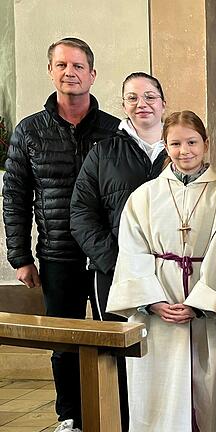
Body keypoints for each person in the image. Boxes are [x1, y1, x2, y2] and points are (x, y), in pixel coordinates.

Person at [2, 37, 119, 432]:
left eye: (78, 66)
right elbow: (14, 195)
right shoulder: (29, 131)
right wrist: (19, 257)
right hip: (58, 254)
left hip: (108, 256)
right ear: (51, 72)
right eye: (62, 65)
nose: (70, 72)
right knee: (64, 343)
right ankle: (70, 416)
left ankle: (117, 412)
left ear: (92, 74)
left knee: (114, 337)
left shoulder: (114, 130)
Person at [106, 111, 216, 431]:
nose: (184, 150)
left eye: (192, 142)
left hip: (207, 310)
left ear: (206, 143)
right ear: (164, 145)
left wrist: (199, 303)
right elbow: (133, 251)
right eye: (175, 143)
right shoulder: (145, 196)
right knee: (160, 395)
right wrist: (152, 301)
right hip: (159, 311)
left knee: (211, 390)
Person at [69, 72, 167, 431]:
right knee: (122, 356)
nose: (142, 104)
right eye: (132, 97)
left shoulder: (180, 150)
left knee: (166, 356)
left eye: (150, 96)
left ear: (163, 102)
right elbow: (81, 214)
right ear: (123, 105)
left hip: (173, 276)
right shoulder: (104, 151)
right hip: (113, 274)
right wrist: (117, 261)